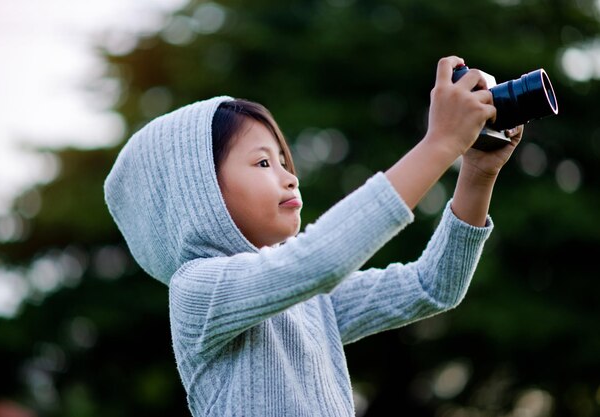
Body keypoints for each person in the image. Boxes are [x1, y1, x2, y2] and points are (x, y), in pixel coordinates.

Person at [104, 56, 522, 417]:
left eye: (285, 161)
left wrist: (477, 174)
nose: (290, 178)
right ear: (196, 193)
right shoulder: (197, 289)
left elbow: (432, 286)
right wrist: (441, 142)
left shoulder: (311, 304)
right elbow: (319, 261)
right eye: (264, 163)